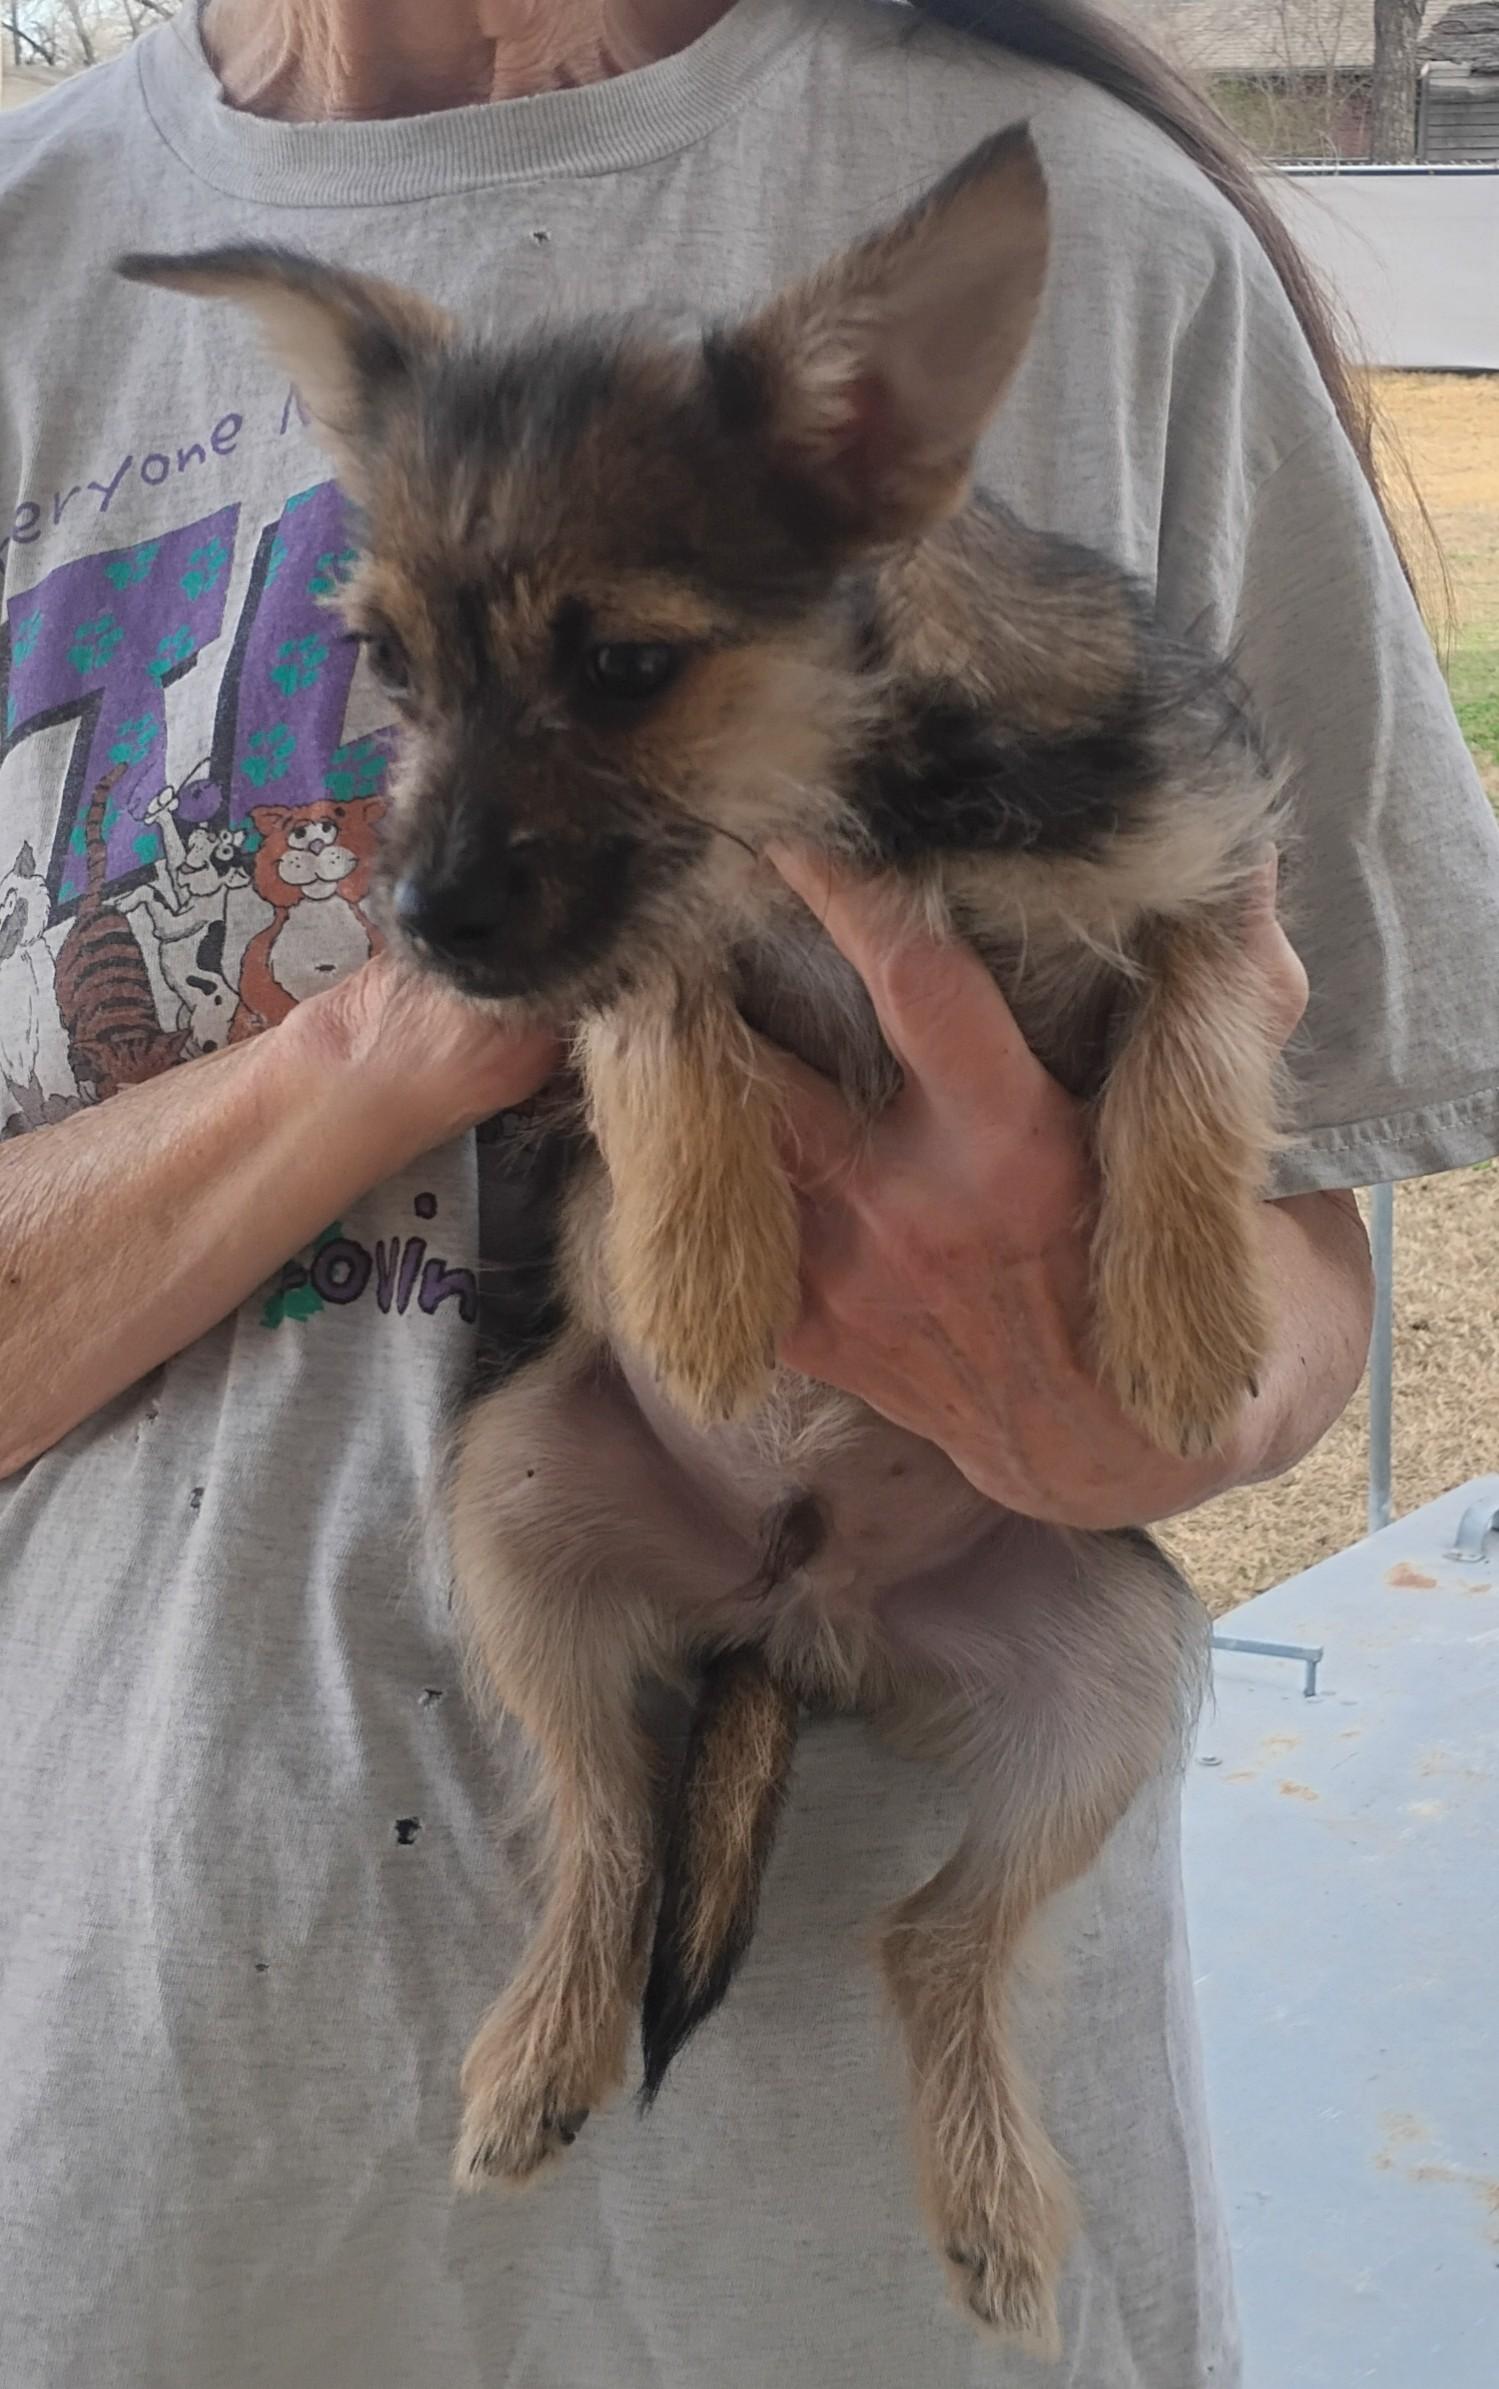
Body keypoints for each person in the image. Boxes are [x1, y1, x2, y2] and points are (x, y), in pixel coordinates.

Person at [1, 3, 1495, 2383]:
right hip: (133, 2153)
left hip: (850, 2288)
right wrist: (393, 1046)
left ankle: (949, 2011)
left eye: (619, 669)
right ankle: (595, 1912)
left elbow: (1307, 1189)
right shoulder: (35, 245)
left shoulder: (1095, 226)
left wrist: (1135, 1423)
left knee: (1113, 1665)